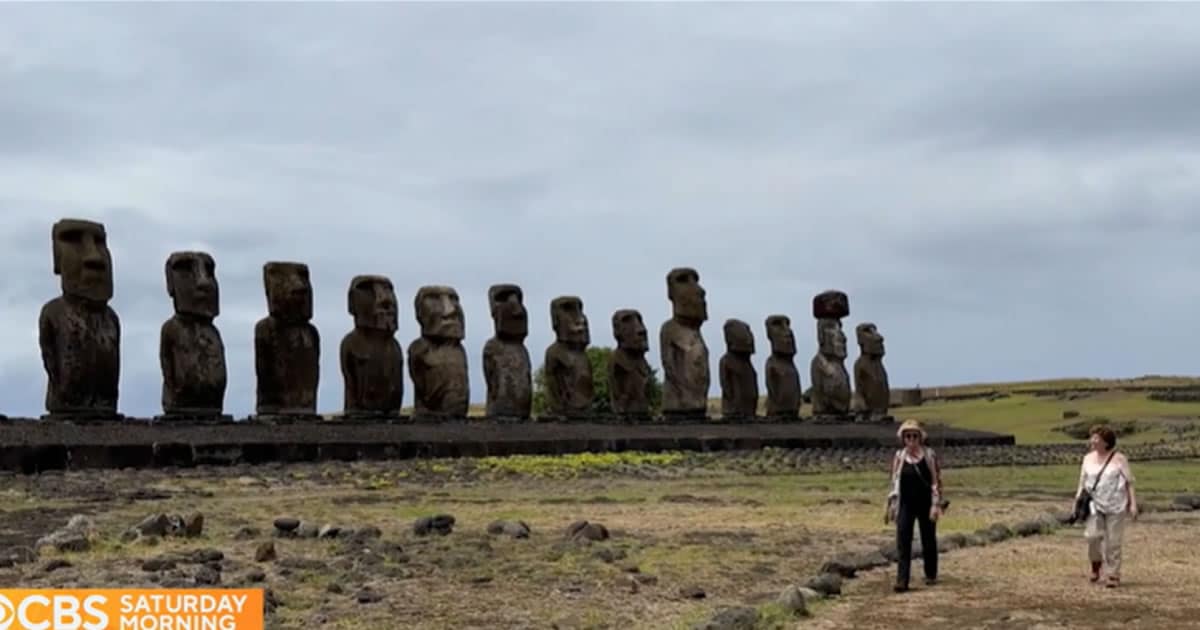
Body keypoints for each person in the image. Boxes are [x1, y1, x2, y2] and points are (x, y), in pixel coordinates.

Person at [1075, 424, 1137, 588]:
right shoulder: (1087, 458)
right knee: (1092, 536)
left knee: (1113, 542)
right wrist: (1077, 500)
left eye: (1096, 438)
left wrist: (1133, 504)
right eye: (1093, 437)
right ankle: (1096, 565)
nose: (1093, 441)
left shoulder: (1119, 459)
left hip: (1116, 505)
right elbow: (1082, 481)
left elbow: (1129, 483)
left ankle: (1113, 574)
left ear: (1106, 442)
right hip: (1094, 504)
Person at [885, 418, 943, 592]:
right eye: (907, 437)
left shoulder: (929, 455)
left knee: (928, 539)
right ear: (903, 439)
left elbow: (936, 481)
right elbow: (894, 482)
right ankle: (902, 580)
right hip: (906, 504)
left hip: (925, 503)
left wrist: (935, 504)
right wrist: (891, 505)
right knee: (903, 539)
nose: (911, 440)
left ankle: (931, 573)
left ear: (920, 438)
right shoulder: (899, 457)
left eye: (914, 436)